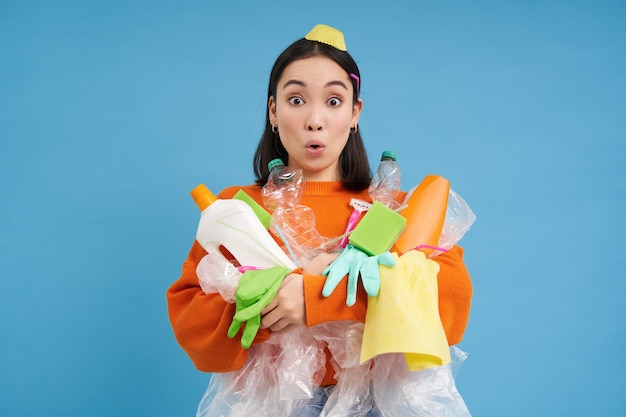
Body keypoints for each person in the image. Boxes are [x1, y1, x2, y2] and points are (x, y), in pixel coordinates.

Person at [167, 23, 473, 417]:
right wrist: (271, 309)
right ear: (273, 111)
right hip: (276, 406)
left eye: (333, 101)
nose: (315, 120)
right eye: (296, 100)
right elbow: (193, 325)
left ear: (354, 113)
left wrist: (316, 300)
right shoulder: (238, 211)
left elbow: (448, 308)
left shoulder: (394, 212)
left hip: (378, 403)